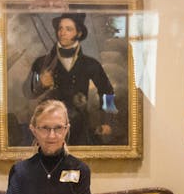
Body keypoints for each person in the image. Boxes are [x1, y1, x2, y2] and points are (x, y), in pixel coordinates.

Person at [23, 14, 116, 147]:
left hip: (80, 127)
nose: (62, 33)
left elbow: (107, 92)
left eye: (68, 29)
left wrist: (107, 121)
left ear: (79, 33)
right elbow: (27, 92)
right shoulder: (42, 62)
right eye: (60, 28)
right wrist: (41, 84)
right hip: (49, 128)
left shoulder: (91, 64)